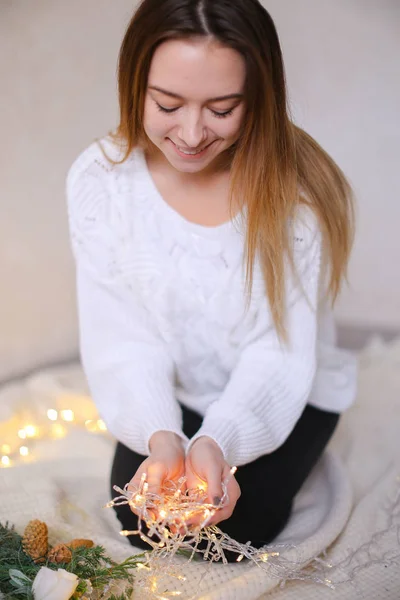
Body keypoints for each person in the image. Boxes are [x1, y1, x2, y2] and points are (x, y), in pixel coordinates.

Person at [67, 0, 357, 559]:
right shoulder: (101, 181)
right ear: (135, 85)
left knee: (233, 531)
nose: (193, 134)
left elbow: (278, 353)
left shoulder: (295, 198)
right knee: (142, 518)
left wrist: (220, 442)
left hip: (284, 382)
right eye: (168, 104)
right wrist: (161, 435)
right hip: (178, 383)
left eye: (222, 108)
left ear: (260, 97)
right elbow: (123, 336)